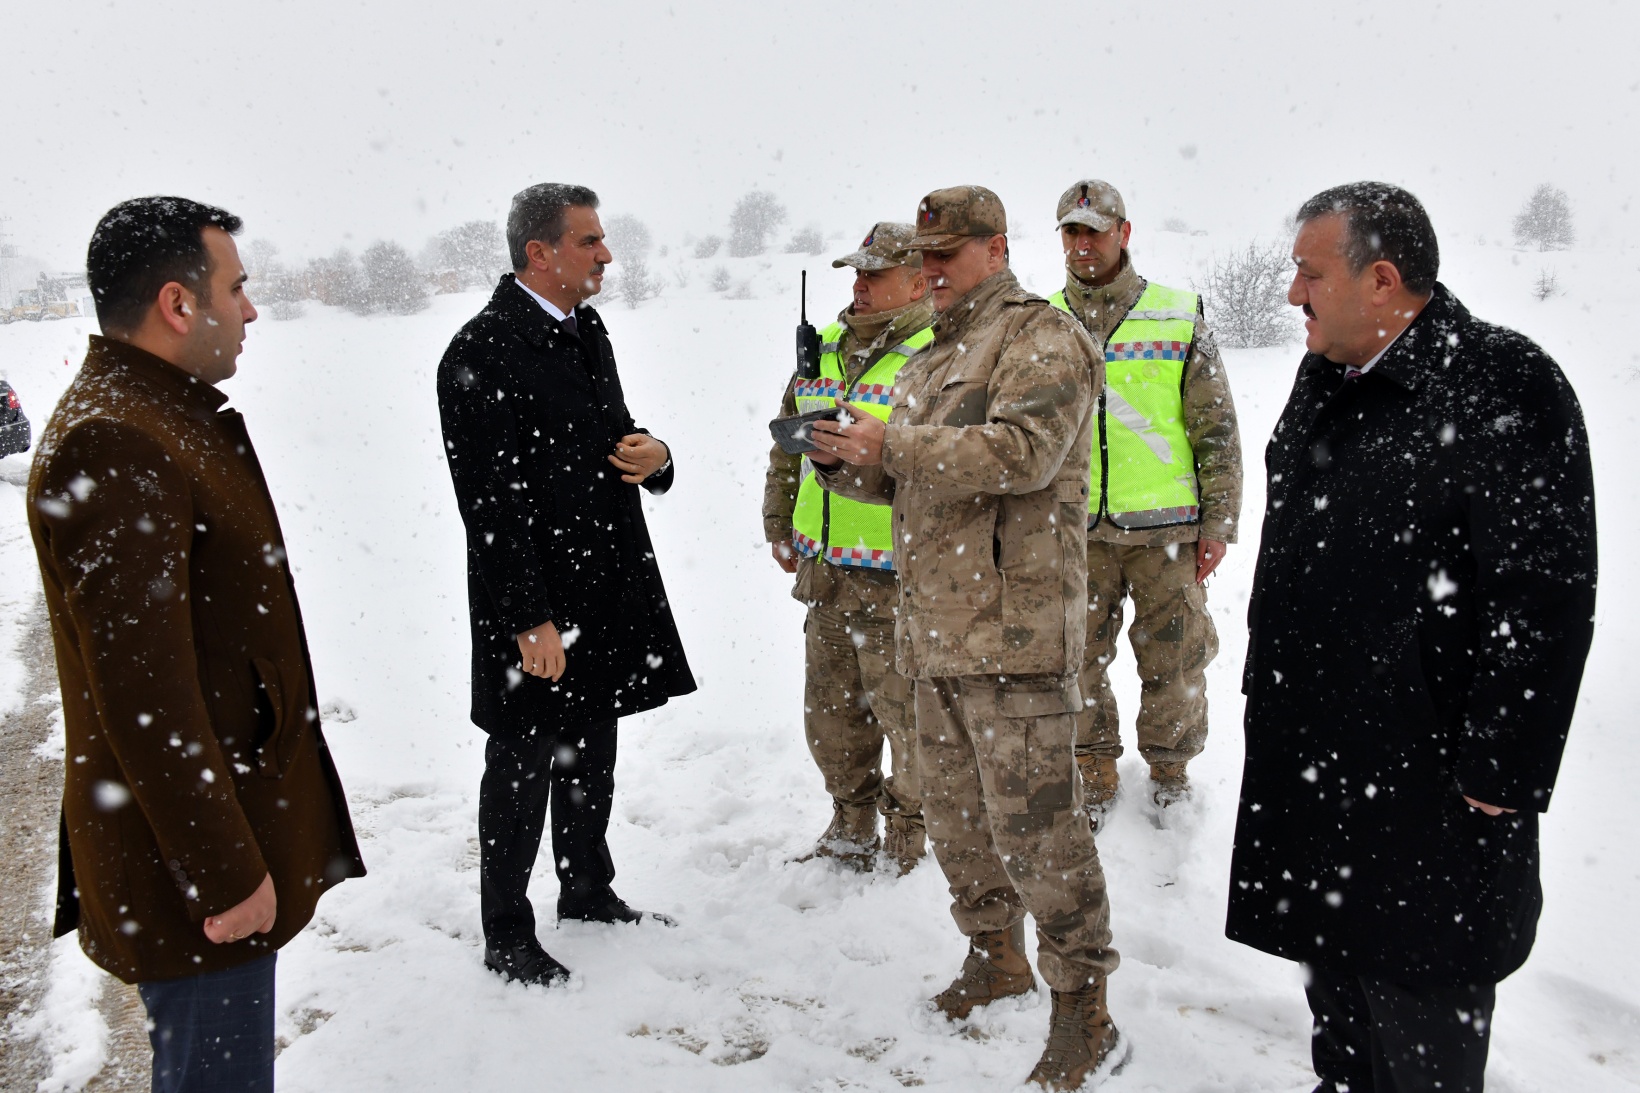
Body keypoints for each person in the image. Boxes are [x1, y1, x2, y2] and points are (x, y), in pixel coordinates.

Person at [1228, 182, 1596, 1093]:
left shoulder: (1505, 382)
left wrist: (1502, 769)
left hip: (1429, 784)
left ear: (1382, 278)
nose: (1291, 295)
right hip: (1320, 761)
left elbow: (1545, 595)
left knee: (1422, 1022)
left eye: (1309, 274)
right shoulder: (1329, 373)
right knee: (1342, 1008)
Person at [27, 196, 365, 1093]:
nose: (250, 311)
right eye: (236, 288)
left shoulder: (152, 412)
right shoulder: (118, 438)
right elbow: (146, 701)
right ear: (180, 304)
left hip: (206, 847)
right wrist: (223, 876)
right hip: (196, 880)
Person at [810, 186, 1125, 1090]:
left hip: (1016, 633)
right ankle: (996, 956)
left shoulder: (1041, 336)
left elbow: (1023, 453)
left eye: (946, 258)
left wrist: (894, 446)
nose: (931, 274)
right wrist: (852, 463)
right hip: (935, 630)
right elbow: (916, 484)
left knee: (1041, 831)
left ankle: (1085, 1011)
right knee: (957, 820)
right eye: (925, 260)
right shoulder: (932, 355)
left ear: (995, 249)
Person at [436, 183, 696, 989]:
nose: (606, 254)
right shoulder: (481, 349)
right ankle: (506, 930)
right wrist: (529, 620)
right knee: (520, 764)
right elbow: (491, 506)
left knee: (592, 746)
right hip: (536, 603)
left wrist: (658, 456)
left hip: (601, 585)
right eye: (589, 240)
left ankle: (586, 885)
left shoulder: (585, 331)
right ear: (539, 254)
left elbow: (611, 435)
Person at [1047, 179, 1242, 820]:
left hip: (1167, 532)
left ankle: (1171, 768)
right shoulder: (1041, 321)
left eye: (1093, 230)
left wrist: (1219, 522)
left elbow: (1215, 427)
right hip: (1073, 529)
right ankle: (1093, 762)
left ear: (1123, 233)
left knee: (1177, 660)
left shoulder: (1179, 314)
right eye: (1071, 232)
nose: (1082, 244)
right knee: (1074, 658)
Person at [763, 222, 934, 874]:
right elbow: (787, 451)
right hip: (827, 574)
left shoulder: (941, 353)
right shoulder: (823, 348)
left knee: (913, 723)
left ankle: (910, 834)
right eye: (855, 274)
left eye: (875, 274)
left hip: (903, 578)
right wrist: (780, 521)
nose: (858, 286)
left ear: (919, 280)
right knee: (832, 720)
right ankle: (851, 821)